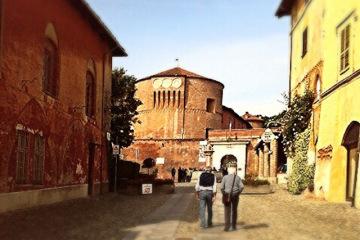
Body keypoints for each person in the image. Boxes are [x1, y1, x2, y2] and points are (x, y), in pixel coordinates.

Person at [220, 163, 244, 232]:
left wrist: (224, 194)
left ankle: (227, 227)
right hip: (235, 196)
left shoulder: (225, 177)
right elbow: (242, 187)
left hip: (227, 195)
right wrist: (238, 193)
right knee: (234, 211)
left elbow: (221, 187)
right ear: (235, 171)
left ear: (228, 171)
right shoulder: (238, 178)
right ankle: (234, 226)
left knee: (227, 211)